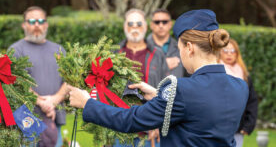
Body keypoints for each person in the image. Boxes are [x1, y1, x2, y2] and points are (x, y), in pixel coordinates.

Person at [68, 9, 249, 147]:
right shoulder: (240, 87)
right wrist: (158, 95)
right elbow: (201, 109)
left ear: (189, 48)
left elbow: (131, 120)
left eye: (179, 48)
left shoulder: (180, 90)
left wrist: (87, 103)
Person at [8, 6, 67, 147]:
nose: (36, 25)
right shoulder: (15, 50)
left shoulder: (59, 50)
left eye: (40, 21)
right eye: (32, 21)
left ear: (46, 24)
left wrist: (54, 100)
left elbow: (70, 81)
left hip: (54, 117)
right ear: (24, 24)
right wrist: (42, 103)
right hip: (25, 119)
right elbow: (15, 83)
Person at [116, 8, 170, 147]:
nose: (135, 28)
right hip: (118, 130)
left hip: (150, 130)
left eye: (139, 24)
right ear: (124, 27)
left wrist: (158, 123)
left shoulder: (157, 55)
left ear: (145, 27)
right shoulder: (114, 54)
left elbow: (166, 91)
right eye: (131, 24)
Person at [219, 38, 258, 147]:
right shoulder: (216, 73)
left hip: (238, 128)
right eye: (225, 51)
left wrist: (248, 125)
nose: (229, 54)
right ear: (220, 53)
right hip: (218, 127)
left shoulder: (244, 75)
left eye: (232, 51)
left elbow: (252, 101)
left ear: (237, 53)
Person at [147, 9, 185, 78]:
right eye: (157, 22)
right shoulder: (143, 48)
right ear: (151, 25)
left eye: (164, 22)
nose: (161, 25)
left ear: (170, 24)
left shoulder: (181, 48)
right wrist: (164, 65)